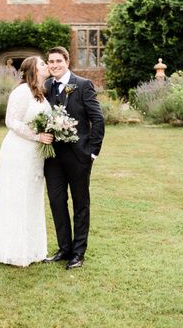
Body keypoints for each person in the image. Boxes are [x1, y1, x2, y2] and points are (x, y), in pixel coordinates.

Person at [43, 46, 105, 269]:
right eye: (50, 61)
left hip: (79, 157)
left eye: (58, 61)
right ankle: (64, 248)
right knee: (57, 202)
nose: (54, 65)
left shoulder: (82, 85)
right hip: (52, 158)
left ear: (67, 62)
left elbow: (97, 119)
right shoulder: (47, 86)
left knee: (80, 204)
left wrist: (93, 152)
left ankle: (78, 253)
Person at [0, 56, 54, 267]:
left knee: (33, 197)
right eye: (43, 64)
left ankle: (34, 249)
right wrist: (37, 137)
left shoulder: (42, 93)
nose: (47, 66)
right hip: (18, 151)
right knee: (17, 196)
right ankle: (15, 251)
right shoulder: (21, 91)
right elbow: (11, 121)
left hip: (35, 154)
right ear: (33, 70)